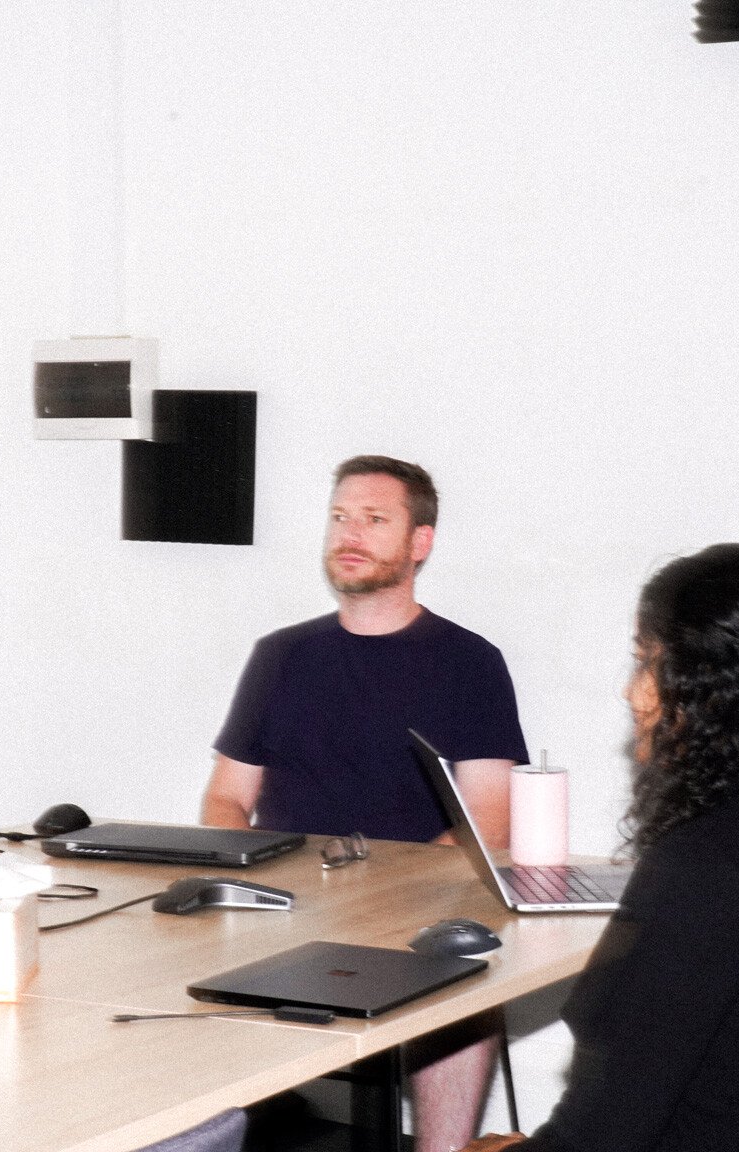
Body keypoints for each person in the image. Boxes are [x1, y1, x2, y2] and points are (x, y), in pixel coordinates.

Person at [471, 543, 739, 1152]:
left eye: (648, 662)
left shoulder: (711, 864)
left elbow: (604, 1132)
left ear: (712, 684)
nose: (633, 693)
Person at [203, 455, 528, 1152]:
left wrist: (374, 898)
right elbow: (228, 799)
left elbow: (487, 827)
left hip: (415, 917)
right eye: (340, 516)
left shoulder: (470, 663)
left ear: (420, 543)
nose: (350, 534)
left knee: (463, 974)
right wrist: (255, 884)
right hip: (285, 915)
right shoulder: (281, 655)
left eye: (375, 519)